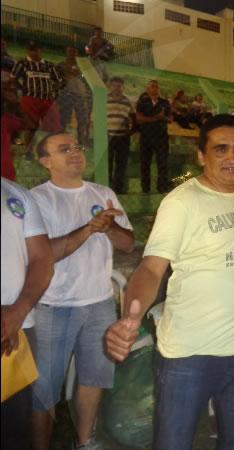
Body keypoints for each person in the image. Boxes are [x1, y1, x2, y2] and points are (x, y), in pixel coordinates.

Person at [105, 114, 234, 450]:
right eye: (220, 149)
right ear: (201, 156)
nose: (232, 158)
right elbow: (150, 268)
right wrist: (131, 315)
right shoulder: (181, 203)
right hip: (189, 356)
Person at [30, 132, 134, 450]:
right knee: (44, 389)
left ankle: (85, 440)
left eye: (77, 147)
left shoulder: (103, 193)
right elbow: (43, 253)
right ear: (45, 161)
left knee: (94, 378)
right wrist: (90, 228)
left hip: (100, 303)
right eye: (64, 150)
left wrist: (110, 227)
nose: (75, 153)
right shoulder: (37, 199)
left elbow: (128, 244)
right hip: (53, 306)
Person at [1, 177, 53, 450]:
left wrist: (18, 311)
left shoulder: (15, 194)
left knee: (14, 429)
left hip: (16, 330)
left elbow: (42, 258)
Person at [10, 42, 62, 137]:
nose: (33, 53)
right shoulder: (22, 63)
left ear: (40, 51)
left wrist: (52, 90)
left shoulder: (49, 65)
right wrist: (22, 89)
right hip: (30, 99)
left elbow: (59, 81)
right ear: (28, 51)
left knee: (54, 127)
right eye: (31, 50)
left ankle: (48, 148)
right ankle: (29, 149)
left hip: (47, 100)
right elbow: (13, 79)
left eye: (35, 50)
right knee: (30, 126)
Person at [136, 80, 171, 193]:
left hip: (161, 137)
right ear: (147, 89)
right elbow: (139, 119)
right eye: (152, 86)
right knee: (145, 163)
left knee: (162, 163)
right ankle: (145, 189)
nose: (154, 88)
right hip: (146, 137)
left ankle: (162, 188)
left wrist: (162, 118)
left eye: (156, 86)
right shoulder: (142, 102)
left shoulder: (165, 102)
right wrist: (157, 118)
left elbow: (170, 119)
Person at [56, 46, 92, 145]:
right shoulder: (60, 66)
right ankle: (61, 142)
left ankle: (81, 143)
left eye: (74, 52)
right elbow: (56, 80)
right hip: (66, 95)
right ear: (66, 53)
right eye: (70, 52)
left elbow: (87, 81)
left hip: (80, 96)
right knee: (63, 121)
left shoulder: (83, 68)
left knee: (82, 121)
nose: (72, 54)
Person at [107, 76, 135, 194]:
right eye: (114, 85)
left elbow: (134, 118)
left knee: (121, 164)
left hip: (123, 137)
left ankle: (118, 189)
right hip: (107, 136)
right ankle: (107, 188)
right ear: (110, 86)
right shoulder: (103, 99)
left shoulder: (127, 101)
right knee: (107, 163)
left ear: (122, 87)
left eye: (119, 86)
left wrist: (130, 130)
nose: (117, 88)